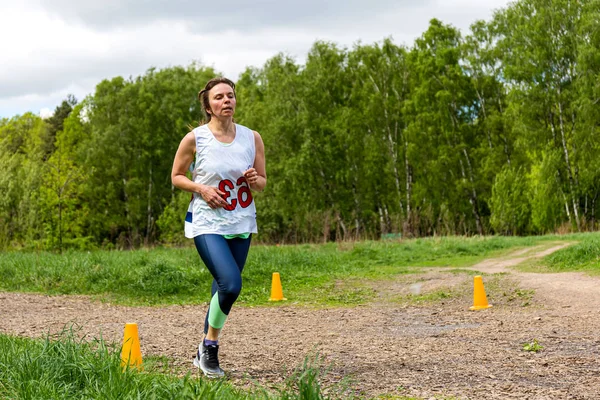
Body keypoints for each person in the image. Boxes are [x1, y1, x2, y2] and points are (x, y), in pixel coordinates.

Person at [171, 77, 266, 378]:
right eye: (219, 97)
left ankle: (203, 350)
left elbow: (262, 182)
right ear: (209, 106)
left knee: (222, 287)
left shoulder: (252, 138)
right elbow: (176, 176)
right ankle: (210, 346)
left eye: (230, 96)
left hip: (241, 220)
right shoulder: (195, 139)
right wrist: (201, 189)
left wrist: (254, 180)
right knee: (231, 284)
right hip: (207, 222)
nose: (226, 101)